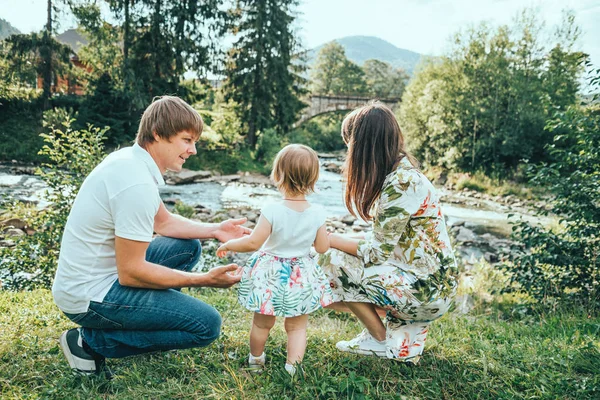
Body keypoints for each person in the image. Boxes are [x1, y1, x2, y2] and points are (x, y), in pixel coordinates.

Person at [52, 96, 250, 377]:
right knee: (207, 325)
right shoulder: (135, 183)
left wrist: (215, 229)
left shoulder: (131, 160)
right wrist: (204, 280)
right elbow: (131, 273)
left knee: (187, 246)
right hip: (88, 296)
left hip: (99, 279)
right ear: (157, 134)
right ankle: (89, 342)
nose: (193, 150)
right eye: (186, 140)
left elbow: (164, 222)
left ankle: (147, 324)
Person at [319, 102, 458, 364]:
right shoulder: (402, 173)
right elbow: (383, 242)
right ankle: (389, 340)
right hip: (429, 285)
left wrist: (330, 239)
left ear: (363, 146)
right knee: (403, 355)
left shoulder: (401, 182)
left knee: (331, 260)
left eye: (350, 146)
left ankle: (379, 339)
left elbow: (376, 253)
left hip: (423, 289)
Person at [216, 144, 334, 375]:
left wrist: (229, 243)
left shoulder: (272, 209)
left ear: (278, 174)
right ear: (314, 177)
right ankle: (292, 368)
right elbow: (321, 247)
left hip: (270, 274)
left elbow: (253, 242)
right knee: (297, 327)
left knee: (261, 323)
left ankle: (256, 360)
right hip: (300, 274)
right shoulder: (318, 212)